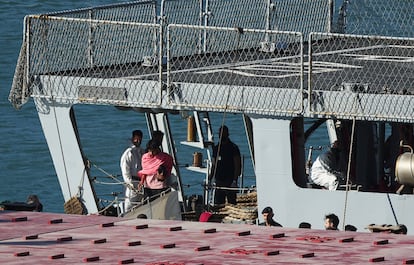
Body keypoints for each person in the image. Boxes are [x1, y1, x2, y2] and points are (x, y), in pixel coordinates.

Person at [209, 125, 241, 205]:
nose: (221, 135)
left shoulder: (233, 148)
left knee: (232, 202)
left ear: (227, 134)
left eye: (223, 133)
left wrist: (234, 180)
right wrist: (210, 178)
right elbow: (214, 164)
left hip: (229, 180)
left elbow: (237, 164)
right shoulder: (216, 149)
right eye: (220, 133)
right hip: (219, 180)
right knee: (218, 203)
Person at [120, 130, 145, 212]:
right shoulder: (128, 153)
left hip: (141, 182)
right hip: (133, 182)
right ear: (132, 139)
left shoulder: (142, 151)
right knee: (130, 205)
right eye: (136, 139)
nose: (138, 141)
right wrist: (130, 184)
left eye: (140, 139)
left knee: (140, 205)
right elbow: (125, 170)